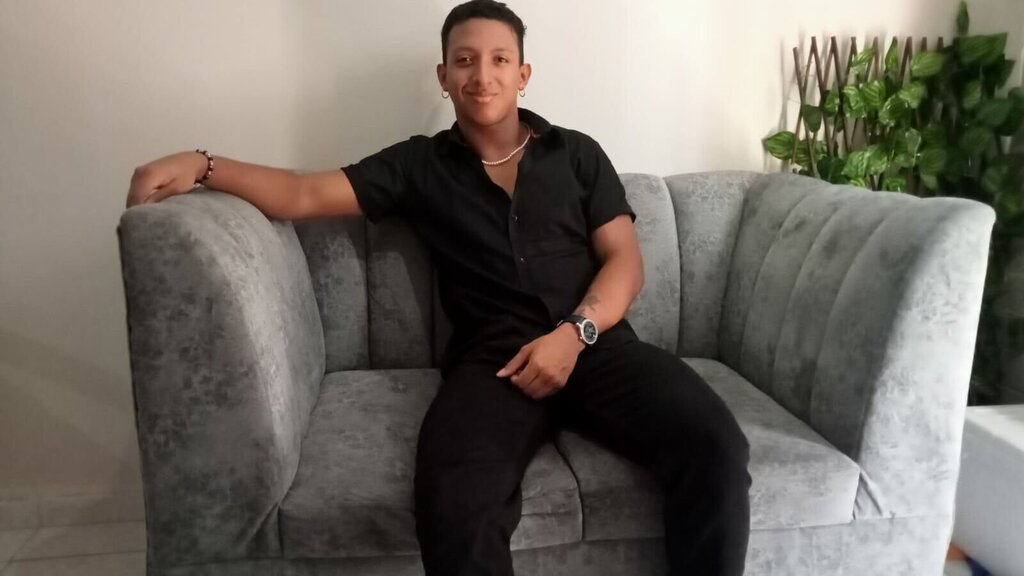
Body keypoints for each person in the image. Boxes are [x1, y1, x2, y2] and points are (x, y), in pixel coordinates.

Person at [126, 1, 751, 574]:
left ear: (524, 74)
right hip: (495, 364)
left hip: (597, 344)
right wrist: (203, 164)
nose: (483, 74)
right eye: (465, 60)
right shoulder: (418, 165)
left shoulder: (578, 154)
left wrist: (574, 333)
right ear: (444, 76)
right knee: (453, 498)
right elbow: (302, 193)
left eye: (500, 59)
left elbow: (625, 262)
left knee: (716, 446)